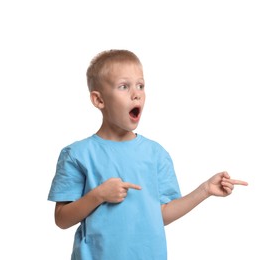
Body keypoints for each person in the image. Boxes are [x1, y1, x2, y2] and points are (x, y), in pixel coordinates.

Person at [48, 49, 248, 260]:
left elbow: (162, 214)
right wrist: (99, 195)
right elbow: (61, 220)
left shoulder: (156, 154)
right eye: (124, 86)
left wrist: (205, 190)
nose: (136, 94)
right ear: (99, 100)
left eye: (141, 86)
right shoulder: (76, 154)